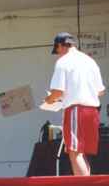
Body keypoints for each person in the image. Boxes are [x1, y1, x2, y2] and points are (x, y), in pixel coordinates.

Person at [45, 32, 105, 176]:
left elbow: (58, 91)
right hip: (93, 111)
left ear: (60, 45)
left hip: (76, 110)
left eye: (57, 50)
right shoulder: (90, 61)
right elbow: (100, 91)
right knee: (82, 152)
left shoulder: (63, 62)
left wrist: (49, 100)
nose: (58, 54)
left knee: (74, 152)